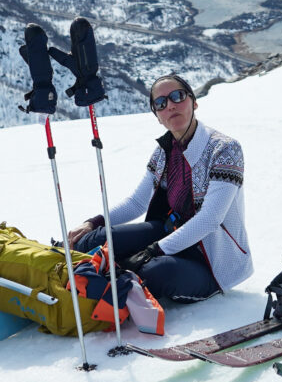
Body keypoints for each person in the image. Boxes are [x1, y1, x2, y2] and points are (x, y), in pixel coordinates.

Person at [71, 74, 250, 305]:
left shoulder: (224, 149)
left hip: (211, 260)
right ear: (157, 116)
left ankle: (95, 288)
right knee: (98, 238)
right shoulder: (164, 151)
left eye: (177, 96)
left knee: (153, 271)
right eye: (161, 103)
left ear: (193, 102)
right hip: (169, 234)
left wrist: (154, 250)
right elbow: (136, 203)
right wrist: (93, 222)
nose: (171, 106)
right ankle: (62, 271)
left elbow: (210, 219)